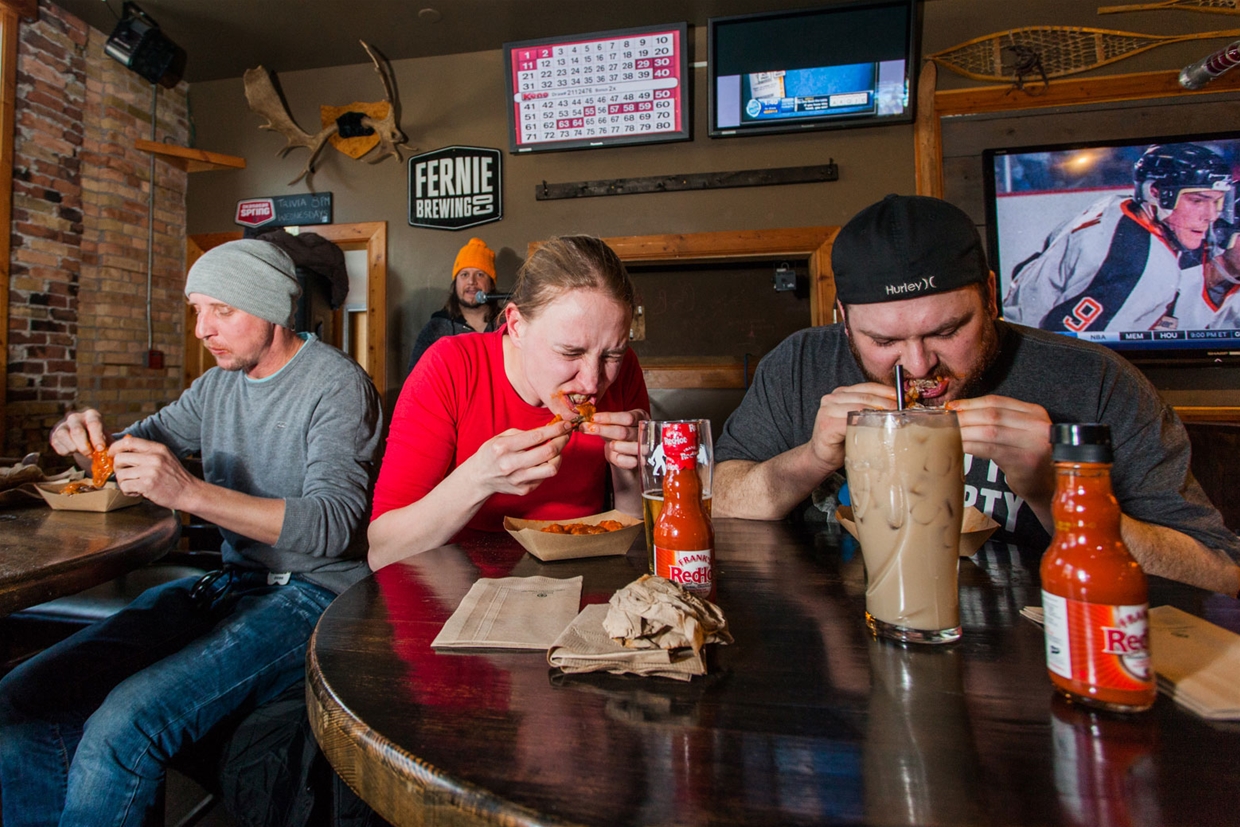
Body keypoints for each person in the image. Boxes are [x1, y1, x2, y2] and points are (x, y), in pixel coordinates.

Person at [0, 239, 383, 827]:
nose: (203, 329)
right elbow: (128, 452)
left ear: (272, 309)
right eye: (196, 309)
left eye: (221, 310)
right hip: (232, 583)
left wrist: (189, 493)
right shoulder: (215, 387)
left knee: (122, 728)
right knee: (22, 697)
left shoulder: (336, 385)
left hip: (315, 598)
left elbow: (332, 525)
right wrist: (82, 441)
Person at [713, 194, 1240, 596]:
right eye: (884, 341)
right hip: (848, 646)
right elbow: (718, 495)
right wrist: (810, 459)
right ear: (843, 321)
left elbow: (1217, 574)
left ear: (990, 296)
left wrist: (1055, 490)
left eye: (946, 331)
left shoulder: (1096, 382)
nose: (918, 365)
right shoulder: (803, 363)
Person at [370, 235, 648, 568]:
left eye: (611, 355)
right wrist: (477, 479)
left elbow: (634, 543)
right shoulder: (449, 368)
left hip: (583, 577)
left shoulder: (626, 371)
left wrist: (630, 470)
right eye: (570, 352)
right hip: (459, 586)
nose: (592, 382)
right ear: (516, 326)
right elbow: (382, 553)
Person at [1002, 143, 1233, 333]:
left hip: (1013, 332)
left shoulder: (1114, 205)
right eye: (1197, 201)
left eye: (1217, 201)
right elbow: (1073, 345)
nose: (1211, 216)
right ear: (1156, 193)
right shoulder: (1148, 265)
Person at [407, 237, 502, 371]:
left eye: (480, 274)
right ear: (455, 284)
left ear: (491, 284)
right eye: (464, 275)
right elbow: (416, 379)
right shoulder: (436, 329)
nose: (471, 281)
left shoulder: (507, 325)